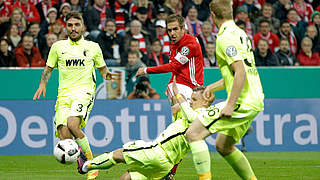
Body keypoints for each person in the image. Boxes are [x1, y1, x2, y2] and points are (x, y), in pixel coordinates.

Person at [32, 11, 117, 180]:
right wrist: (43, 84)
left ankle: (92, 163)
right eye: (70, 25)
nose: (73, 28)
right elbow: (48, 69)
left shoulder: (93, 47)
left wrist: (108, 76)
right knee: (64, 135)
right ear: (66, 27)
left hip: (84, 91)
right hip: (63, 95)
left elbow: (102, 70)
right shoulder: (58, 47)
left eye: (77, 25)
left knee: (73, 123)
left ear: (83, 27)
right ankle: (81, 159)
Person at [184, 0, 264, 179]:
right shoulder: (240, 33)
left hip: (242, 101)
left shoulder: (224, 37)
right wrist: (212, 87)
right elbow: (236, 73)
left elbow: (240, 72)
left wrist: (230, 104)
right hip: (255, 98)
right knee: (223, 145)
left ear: (212, 16)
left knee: (193, 133)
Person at [77, 78, 215, 180]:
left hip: (157, 152)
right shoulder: (193, 117)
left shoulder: (201, 116)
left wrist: (179, 96)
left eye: (194, 100)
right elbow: (179, 112)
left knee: (119, 154)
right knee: (127, 178)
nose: (190, 102)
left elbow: (191, 115)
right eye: (190, 99)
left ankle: (86, 166)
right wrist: (174, 97)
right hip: (165, 165)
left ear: (206, 102)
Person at [136, 14, 204, 103]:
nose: (172, 33)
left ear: (183, 29)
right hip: (179, 86)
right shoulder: (174, 43)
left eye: (175, 29)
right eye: (169, 30)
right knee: (180, 111)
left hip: (191, 87)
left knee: (185, 112)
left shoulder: (190, 45)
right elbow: (176, 69)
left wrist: (146, 70)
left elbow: (173, 66)